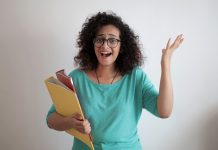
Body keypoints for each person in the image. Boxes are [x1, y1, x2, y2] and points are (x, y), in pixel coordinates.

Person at [46, 11, 184, 150]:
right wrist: (69, 122)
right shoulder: (76, 78)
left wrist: (165, 63)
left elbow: (164, 112)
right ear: (91, 43)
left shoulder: (136, 77)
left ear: (121, 45)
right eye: (100, 39)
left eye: (112, 40)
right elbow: (51, 120)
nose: (105, 46)